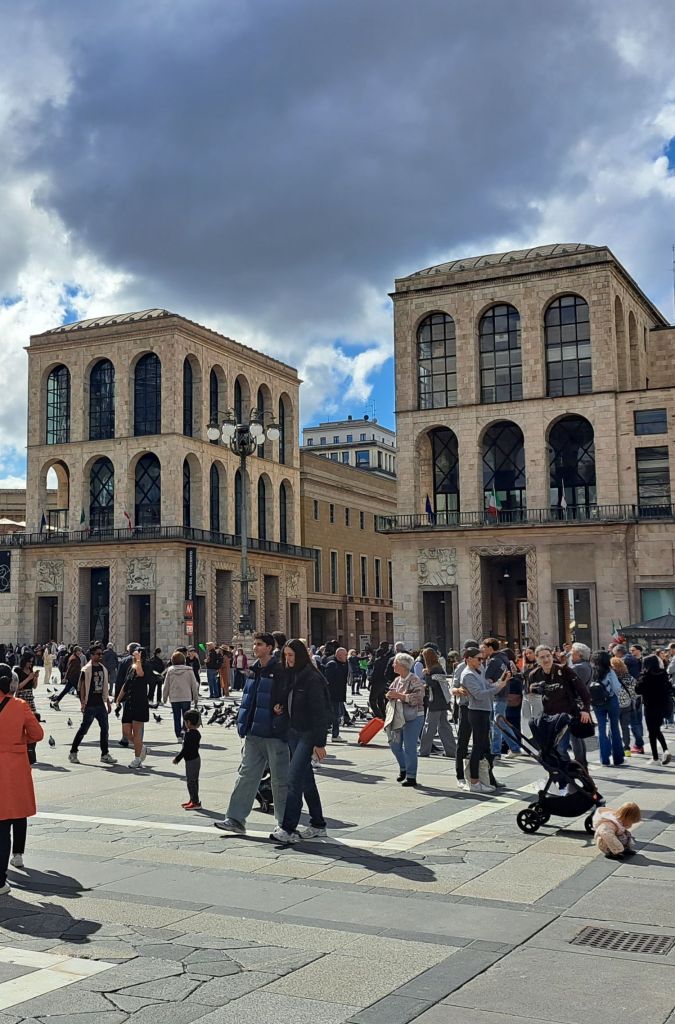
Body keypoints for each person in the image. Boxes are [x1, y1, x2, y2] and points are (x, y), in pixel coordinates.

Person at [214, 633, 289, 835]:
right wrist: (242, 724)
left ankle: (284, 824)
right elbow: (249, 700)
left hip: (274, 734)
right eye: (255, 644)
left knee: (280, 781)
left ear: (270, 647)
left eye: (259, 644)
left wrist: (279, 720)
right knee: (246, 776)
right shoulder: (254, 671)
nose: (255, 648)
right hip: (253, 733)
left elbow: (286, 699)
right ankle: (235, 819)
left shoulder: (280, 670)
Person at [270, 639, 331, 845]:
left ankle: (288, 828)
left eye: (291, 656)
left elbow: (320, 712)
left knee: (294, 780)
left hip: (307, 734)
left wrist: (320, 743)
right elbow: (289, 701)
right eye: (285, 655)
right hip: (293, 731)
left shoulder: (312, 678)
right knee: (306, 780)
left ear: (300, 656)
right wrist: (280, 709)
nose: (287, 659)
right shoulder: (291, 675)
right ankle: (318, 823)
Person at [0, 663, 44, 891]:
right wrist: (18, 741)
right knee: (5, 824)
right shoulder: (19, 706)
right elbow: (37, 734)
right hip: (11, 771)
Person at [527, 645, 592, 764]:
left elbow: (583, 691)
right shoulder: (534, 675)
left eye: (548, 656)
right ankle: (568, 773)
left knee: (569, 747)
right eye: (542, 657)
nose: (546, 660)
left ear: (552, 656)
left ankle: (581, 772)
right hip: (551, 718)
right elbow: (529, 698)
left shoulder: (564, 670)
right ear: (537, 659)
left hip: (569, 714)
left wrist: (585, 709)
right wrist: (532, 690)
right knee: (558, 750)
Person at [459, 646, 511, 793]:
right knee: (477, 746)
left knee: (485, 746)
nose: (482, 661)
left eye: (483, 658)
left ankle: (487, 778)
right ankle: (474, 782)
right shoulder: (467, 674)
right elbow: (479, 694)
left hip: (484, 710)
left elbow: (487, 685)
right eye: (479, 658)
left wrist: (501, 680)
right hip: (476, 711)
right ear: (469, 659)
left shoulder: (479, 670)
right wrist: (498, 687)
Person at [68, 647, 117, 765]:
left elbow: (105, 687)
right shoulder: (86, 670)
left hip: (100, 704)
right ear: (91, 655)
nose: (100, 656)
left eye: (101, 654)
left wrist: (108, 703)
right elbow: (82, 687)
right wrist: (82, 703)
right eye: (98, 654)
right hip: (90, 704)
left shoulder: (103, 668)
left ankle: (104, 754)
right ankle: (73, 752)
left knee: (105, 729)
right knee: (83, 729)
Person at [385, 652, 425, 787]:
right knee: (394, 745)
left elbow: (418, 698)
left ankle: (411, 776)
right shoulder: (397, 679)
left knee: (410, 747)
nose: (392, 665)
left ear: (402, 665)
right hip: (398, 716)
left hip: (413, 717)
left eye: (395, 663)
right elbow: (391, 691)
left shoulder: (414, 680)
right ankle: (404, 767)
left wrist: (400, 696)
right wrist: (390, 695)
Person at [116, 647, 151, 769]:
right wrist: (119, 698)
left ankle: (137, 759)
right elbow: (126, 684)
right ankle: (141, 747)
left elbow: (141, 674)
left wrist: (138, 660)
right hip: (129, 701)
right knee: (126, 731)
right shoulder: (132, 667)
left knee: (136, 732)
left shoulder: (145, 666)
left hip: (140, 702)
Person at [589, 650, 624, 767]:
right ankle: (618, 758)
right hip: (611, 700)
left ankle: (604, 759)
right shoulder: (609, 671)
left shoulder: (591, 671)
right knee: (614, 728)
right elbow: (617, 688)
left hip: (596, 702)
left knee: (601, 729)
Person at [419, 646, 455, 758]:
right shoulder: (438, 667)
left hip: (435, 701)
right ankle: (451, 751)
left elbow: (433, 684)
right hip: (443, 700)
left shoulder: (433, 669)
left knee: (429, 726)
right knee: (444, 726)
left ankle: (423, 751)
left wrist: (426, 674)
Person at [635, 655, 672, 765]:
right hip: (662, 705)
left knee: (652, 731)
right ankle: (665, 750)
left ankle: (655, 757)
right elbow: (669, 688)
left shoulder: (645, 676)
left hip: (649, 706)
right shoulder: (663, 674)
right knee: (656, 729)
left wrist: (640, 677)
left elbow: (638, 690)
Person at [162, 651, 199, 739]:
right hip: (186, 696)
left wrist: (164, 697)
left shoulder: (170, 670)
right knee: (187, 717)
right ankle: (185, 731)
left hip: (174, 697)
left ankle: (178, 735)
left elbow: (166, 685)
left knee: (176, 717)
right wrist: (195, 698)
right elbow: (194, 685)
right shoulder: (189, 670)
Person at [173, 709, 202, 809]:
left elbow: (185, 749)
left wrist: (178, 758)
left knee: (191, 782)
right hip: (196, 759)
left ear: (188, 722)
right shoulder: (197, 733)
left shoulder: (189, 734)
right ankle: (193, 799)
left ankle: (195, 802)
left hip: (191, 760)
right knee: (194, 781)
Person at [324, 647, 349, 742]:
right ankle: (335, 735)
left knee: (338, 714)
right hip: (333, 694)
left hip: (339, 694)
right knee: (335, 715)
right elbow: (328, 681)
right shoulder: (332, 665)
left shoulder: (342, 664)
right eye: (345, 655)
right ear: (339, 655)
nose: (347, 656)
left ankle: (333, 732)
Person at [368, 643, 390, 719]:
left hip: (377, 682)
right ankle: (383, 715)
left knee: (372, 700)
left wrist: (370, 682)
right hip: (384, 682)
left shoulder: (378, 661)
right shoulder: (387, 659)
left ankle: (379, 716)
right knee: (380, 699)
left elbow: (374, 673)